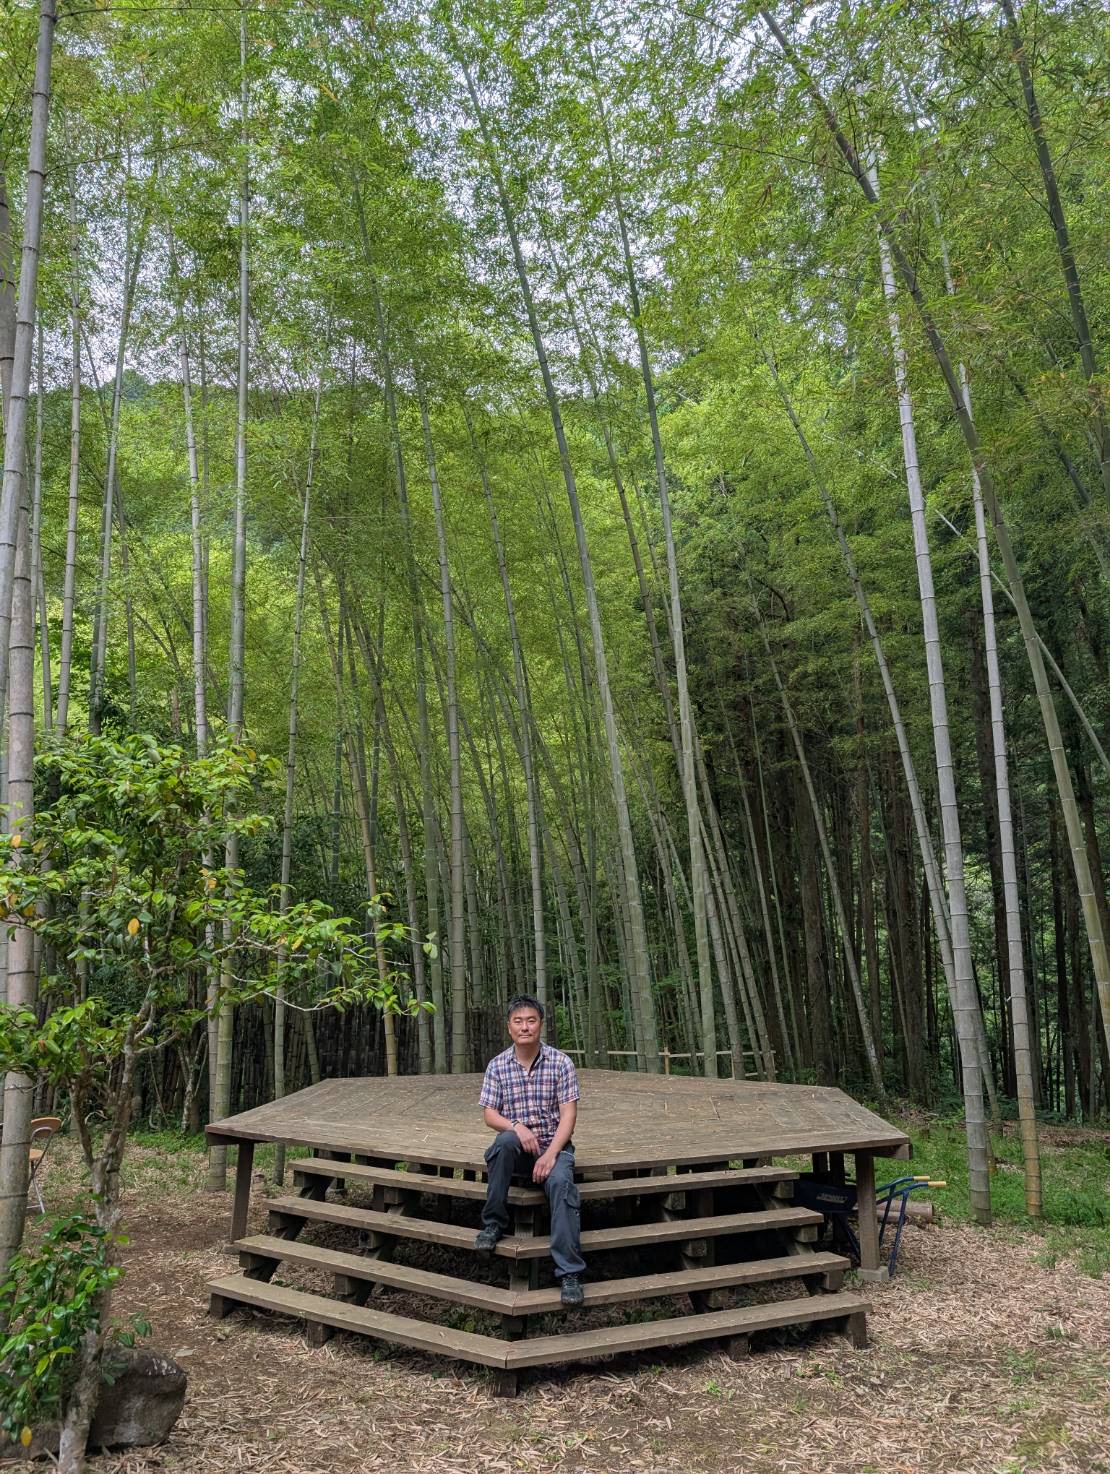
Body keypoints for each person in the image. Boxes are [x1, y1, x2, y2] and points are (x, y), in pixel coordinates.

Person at [475, 994, 586, 1307]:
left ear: (541, 1025)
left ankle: (569, 1273)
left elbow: (569, 1115)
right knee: (502, 1143)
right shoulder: (497, 1066)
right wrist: (517, 1127)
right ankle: (494, 1223)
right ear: (509, 1027)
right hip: (518, 1150)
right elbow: (489, 1115)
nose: (525, 1027)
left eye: (531, 1020)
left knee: (563, 1185)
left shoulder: (561, 1063)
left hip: (554, 1146)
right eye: (518, 1021)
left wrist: (551, 1153)